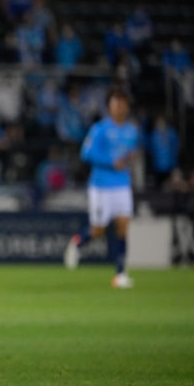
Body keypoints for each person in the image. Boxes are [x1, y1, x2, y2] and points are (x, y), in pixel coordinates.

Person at [63, 88, 141, 288]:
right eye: (116, 103)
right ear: (109, 107)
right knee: (98, 230)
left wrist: (130, 158)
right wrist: (110, 162)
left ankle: (120, 274)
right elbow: (86, 153)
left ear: (127, 107)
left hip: (122, 184)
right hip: (101, 186)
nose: (119, 107)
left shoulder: (132, 131)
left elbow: (131, 152)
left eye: (122, 103)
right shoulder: (99, 129)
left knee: (123, 226)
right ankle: (78, 242)